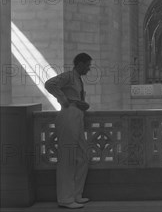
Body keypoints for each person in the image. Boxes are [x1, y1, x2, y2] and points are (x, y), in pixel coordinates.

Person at [45, 53, 92, 209]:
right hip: (68, 116)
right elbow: (50, 84)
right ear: (79, 64)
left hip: (76, 116)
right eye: (87, 65)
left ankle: (76, 194)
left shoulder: (78, 79)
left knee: (83, 156)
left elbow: (77, 99)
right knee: (67, 158)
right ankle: (65, 199)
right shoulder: (68, 76)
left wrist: (81, 105)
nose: (89, 68)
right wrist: (63, 100)